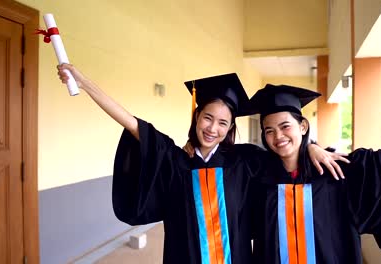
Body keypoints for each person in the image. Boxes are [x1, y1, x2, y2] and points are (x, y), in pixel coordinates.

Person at [56, 64, 345, 263]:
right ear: (196, 117)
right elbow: (134, 124)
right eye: (207, 118)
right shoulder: (176, 161)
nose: (213, 129)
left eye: (223, 123)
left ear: (230, 128)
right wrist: (84, 83)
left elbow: (285, 151)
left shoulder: (243, 161)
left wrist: (312, 148)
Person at [249, 84, 381, 263]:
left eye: (285, 126)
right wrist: (311, 145)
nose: (278, 136)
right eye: (269, 131)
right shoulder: (258, 177)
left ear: (303, 127)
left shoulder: (336, 173)